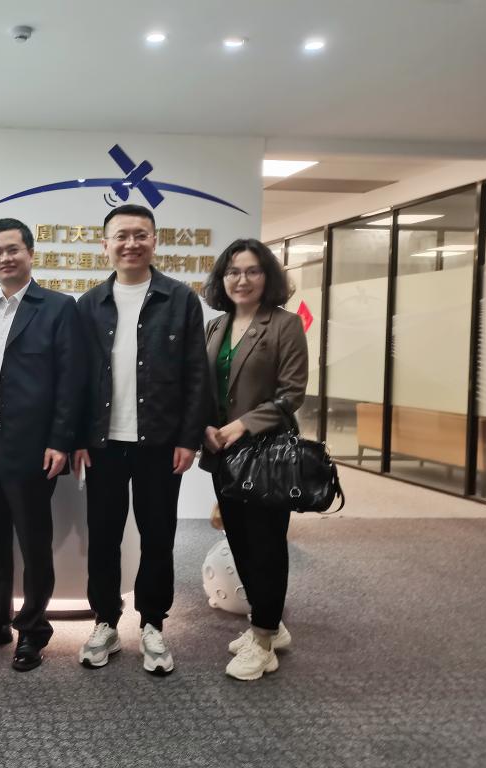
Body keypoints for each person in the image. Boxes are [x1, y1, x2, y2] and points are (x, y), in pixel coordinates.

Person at [72, 203, 209, 675]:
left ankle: (153, 623)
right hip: (103, 444)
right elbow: (78, 379)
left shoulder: (180, 299)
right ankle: (105, 621)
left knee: (158, 536)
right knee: (103, 536)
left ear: (154, 240)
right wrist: (78, 438)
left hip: (160, 443)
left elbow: (196, 374)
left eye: (140, 234)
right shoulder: (89, 304)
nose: (131, 243)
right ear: (105, 245)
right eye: (121, 235)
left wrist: (189, 438)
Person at [0, 218, 84, 672]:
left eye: (13, 249)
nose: (5, 258)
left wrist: (61, 440)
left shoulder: (58, 307)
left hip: (31, 446)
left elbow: (71, 380)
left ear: (30, 253)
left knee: (33, 542)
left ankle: (33, 630)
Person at [199, 238, 307, 681]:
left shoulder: (284, 325)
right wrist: (204, 426)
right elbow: (204, 388)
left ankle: (263, 641)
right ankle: (270, 624)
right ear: (222, 279)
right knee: (240, 541)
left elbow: (292, 393)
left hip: (266, 454)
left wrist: (243, 424)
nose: (241, 280)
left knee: (266, 545)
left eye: (252, 271)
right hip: (223, 454)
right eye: (233, 272)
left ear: (268, 277)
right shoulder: (216, 326)